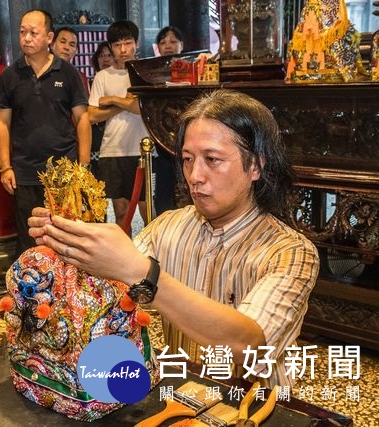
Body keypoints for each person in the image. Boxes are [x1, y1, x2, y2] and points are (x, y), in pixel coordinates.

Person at [28, 89, 320, 388]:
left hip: (254, 405)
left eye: (212, 159)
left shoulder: (291, 252)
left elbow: (248, 344)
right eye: (188, 160)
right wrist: (68, 238)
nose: (195, 175)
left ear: (256, 165)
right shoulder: (168, 227)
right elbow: (106, 287)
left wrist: (144, 274)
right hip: (182, 392)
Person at [0, 9, 90, 256]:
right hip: (25, 171)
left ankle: (69, 290)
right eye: (22, 32)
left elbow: (82, 118)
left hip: (64, 170)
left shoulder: (68, 74)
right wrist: (5, 167)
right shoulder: (9, 76)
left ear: (49, 38)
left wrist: (83, 165)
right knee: (31, 239)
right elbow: (2, 123)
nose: (26, 38)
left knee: (67, 235)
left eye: (33, 33)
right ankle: (32, 293)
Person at [88, 20, 149, 232]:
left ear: (136, 43)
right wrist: (125, 102)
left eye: (127, 43)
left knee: (148, 212)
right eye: (117, 45)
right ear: (111, 47)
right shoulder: (102, 76)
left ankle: (152, 259)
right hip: (112, 151)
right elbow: (92, 116)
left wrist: (113, 99)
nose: (123, 50)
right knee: (121, 214)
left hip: (144, 150)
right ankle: (122, 262)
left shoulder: (145, 73)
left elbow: (144, 109)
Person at [153, 26, 184, 215]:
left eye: (173, 42)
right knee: (163, 194)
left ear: (182, 45)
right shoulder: (151, 71)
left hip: (186, 138)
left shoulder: (192, 66)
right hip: (162, 138)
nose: (168, 46)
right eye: (163, 42)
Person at [88, 41, 114, 177]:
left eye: (109, 55)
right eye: (101, 55)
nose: (105, 59)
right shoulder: (90, 83)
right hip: (93, 140)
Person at [50, 26, 89, 95]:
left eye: (71, 44)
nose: (66, 47)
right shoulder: (41, 72)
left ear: (76, 51)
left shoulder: (80, 77)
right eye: (63, 42)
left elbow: (84, 104)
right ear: (52, 45)